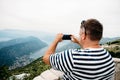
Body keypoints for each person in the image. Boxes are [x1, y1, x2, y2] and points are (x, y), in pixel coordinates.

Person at [43, 19, 115, 80]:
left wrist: (56, 40)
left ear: (83, 35)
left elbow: (46, 58)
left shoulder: (73, 56)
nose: (79, 36)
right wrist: (80, 42)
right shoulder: (108, 57)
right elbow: (89, 52)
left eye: (80, 34)